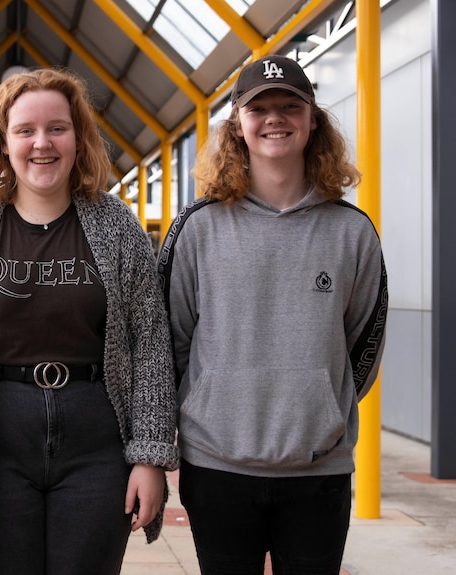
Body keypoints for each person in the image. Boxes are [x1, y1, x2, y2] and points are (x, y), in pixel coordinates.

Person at [0, 67, 179, 575]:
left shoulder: (115, 226)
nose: (41, 144)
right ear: (3, 143)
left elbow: (150, 343)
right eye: (25, 130)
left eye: (57, 128)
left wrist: (150, 456)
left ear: (78, 138)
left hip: (95, 442)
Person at [157, 55, 388, 574]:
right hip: (216, 467)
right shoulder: (198, 228)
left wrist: (320, 408)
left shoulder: (352, 232)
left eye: (291, 106)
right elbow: (169, 339)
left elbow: (363, 343)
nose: (275, 118)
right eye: (259, 107)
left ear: (312, 123)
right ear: (237, 124)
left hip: (318, 471)